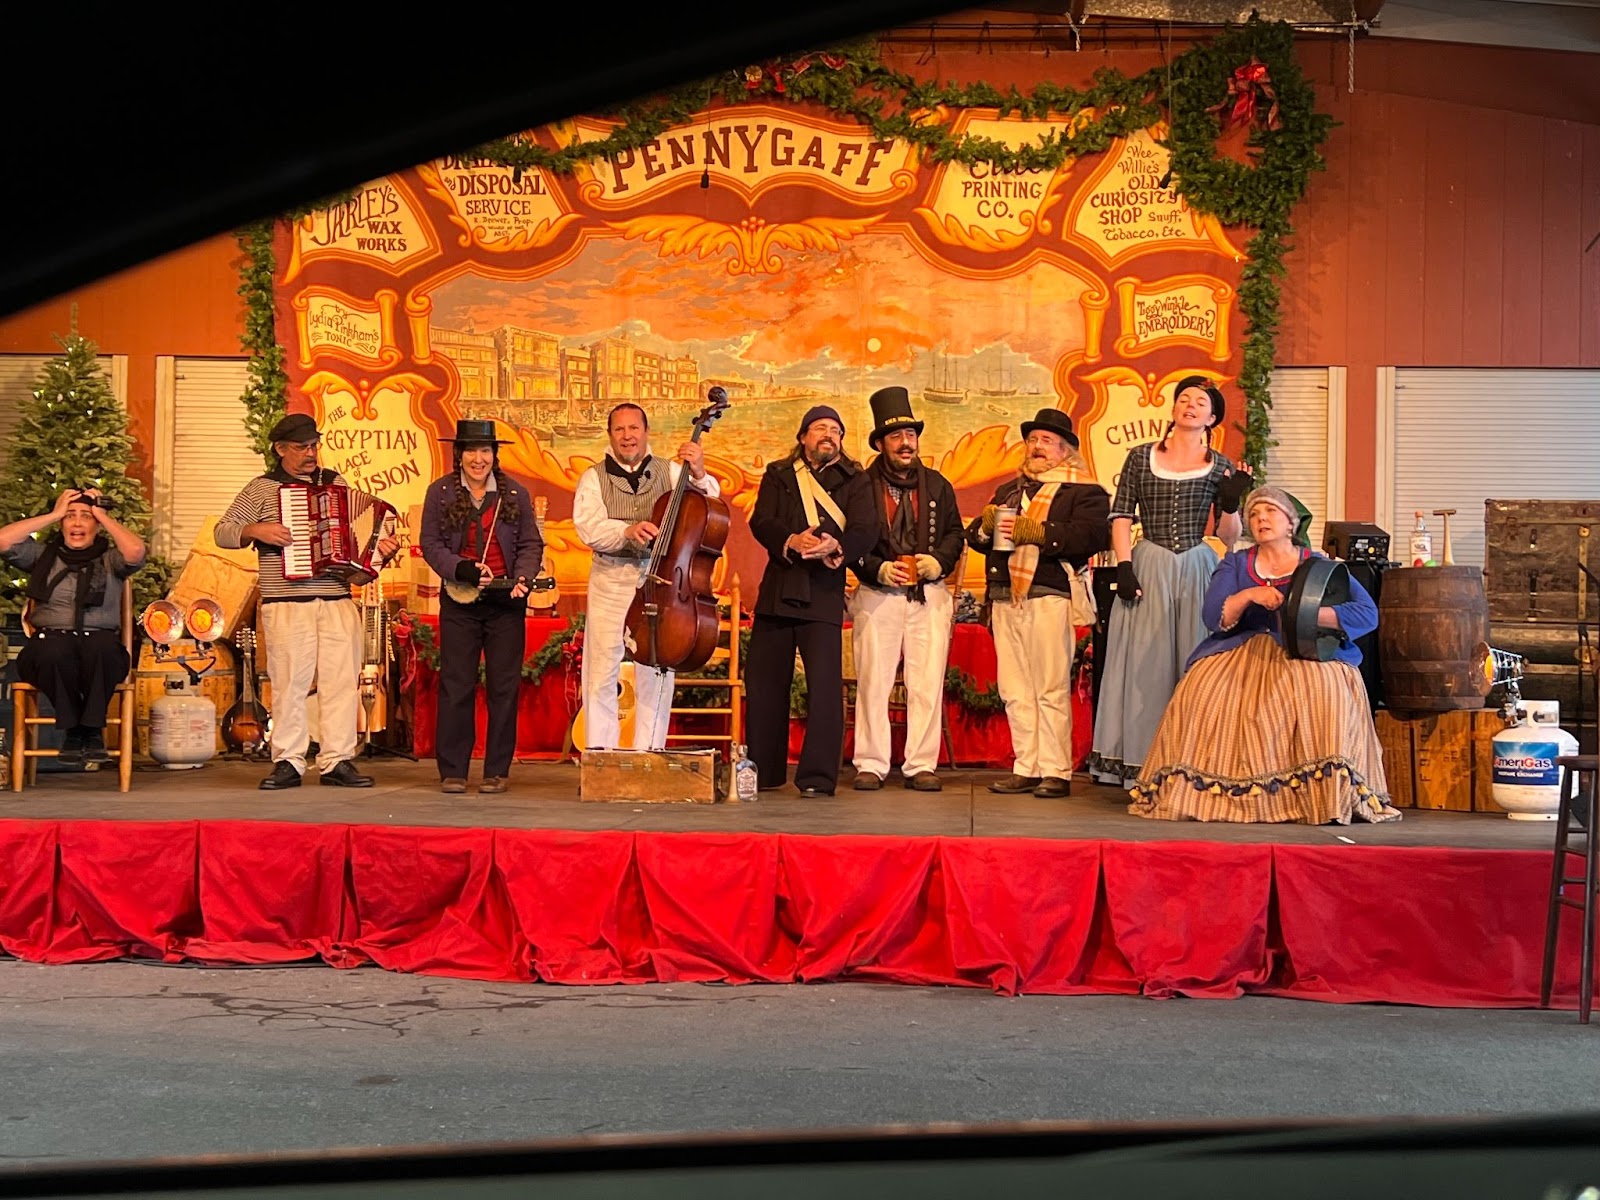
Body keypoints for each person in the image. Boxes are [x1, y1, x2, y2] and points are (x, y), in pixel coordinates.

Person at [1129, 485, 1400, 824]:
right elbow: (1213, 617)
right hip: (1243, 648)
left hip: (1305, 652)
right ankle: (1219, 794)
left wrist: (1306, 613)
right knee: (1204, 689)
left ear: (1291, 524)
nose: (1261, 519)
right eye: (1254, 515)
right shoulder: (1236, 564)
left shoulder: (1318, 565)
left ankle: (1321, 796)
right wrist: (1249, 596)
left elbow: (1366, 614)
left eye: (1270, 511)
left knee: (1326, 691)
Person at [215, 411, 400, 790]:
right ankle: (288, 761)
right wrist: (255, 529)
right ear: (280, 449)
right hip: (286, 602)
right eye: (302, 447)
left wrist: (375, 553)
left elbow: (354, 545)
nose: (311, 453)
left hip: (336, 598)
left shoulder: (336, 484)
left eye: (314, 445)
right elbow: (222, 532)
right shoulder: (261, 489)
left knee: (340, 683)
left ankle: (336, 760)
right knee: (289, 684)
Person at [1088, 375, 1252, 789]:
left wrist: (1231, 503)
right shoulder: (1141, 457)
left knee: (1191, 661)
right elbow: (1122, 515)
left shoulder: (1221, 466)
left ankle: (1191, 757)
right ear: (1174, 409)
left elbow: (1229, 537)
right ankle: (1141, 759)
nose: (1190, 405)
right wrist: (1125, 567)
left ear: (1212, 417)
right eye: (1184, 398)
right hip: (1150, 562)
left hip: (1196, 563)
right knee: (1144, 662)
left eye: (1200, 402)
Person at [966, 409, 1110, 798]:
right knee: (1015, 688)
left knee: (1049, 686)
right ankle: (1026, 765)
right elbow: (976, 538)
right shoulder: (1009, 492)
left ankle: (1056, 769)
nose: (1037, 447)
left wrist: (1038, 532)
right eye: (1032, 441)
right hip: (1005, 596)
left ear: (1066, 450)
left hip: (1048, 594)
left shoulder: (1084, 491)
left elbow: (1092, 536)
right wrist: (984, 525)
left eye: (1046, 441)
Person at [572, 402, 720, 751]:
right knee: (601, 669)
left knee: (655, 666)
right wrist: (627, 530)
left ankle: (649, 753)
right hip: (611, 577)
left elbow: (710, 502)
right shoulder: (593, 477)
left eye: (633, 428)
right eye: (620, 430)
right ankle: (600, 755)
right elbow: (588, 527)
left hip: (659, 581)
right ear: (610, 435)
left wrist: (698, 472)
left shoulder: (670, 471)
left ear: (646, 431)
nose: (628, 436)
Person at [746, 405, 875, 796]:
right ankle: (765, 773)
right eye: (820, 428)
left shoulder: (856, 479)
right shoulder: (779, 474)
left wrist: (840, 547)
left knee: (823, 689)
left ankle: (817, 778)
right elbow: (761, 521)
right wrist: (790, 541)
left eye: (835, 430)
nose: (828, 434)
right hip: (779, 588)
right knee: (765, 685)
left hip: (822, 591)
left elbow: (867, 529)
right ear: (803, 437)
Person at [843, 387, 966, 793]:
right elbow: (850, 539)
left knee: (926, 680)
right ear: (881, 443)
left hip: (928, 595)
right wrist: (876, 568)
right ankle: (872, 762)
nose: (906, 442)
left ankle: (920, 763)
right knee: (874, 680)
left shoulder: (938, 485)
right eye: (896, 436)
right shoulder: (861, 486)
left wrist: (939, 562)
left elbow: (953, 533)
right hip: (878, 596)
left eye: (911, 435)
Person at [419, 418, 543, 795]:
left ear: (494, 455)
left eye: (485, 451)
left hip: (506, 604)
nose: (478, 458)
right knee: (456, 684)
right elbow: (431, 544)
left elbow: (530, 544)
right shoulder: (439, 493)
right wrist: (463, 569)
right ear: (459, 454)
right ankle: (453, 770)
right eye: (471, 450)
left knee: (503, 688)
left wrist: (522, 577)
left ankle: (496, 770)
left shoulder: (515, 495)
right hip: (459, 602)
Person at [0, 487, 146, 765]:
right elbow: (3, 540)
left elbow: (136, 551)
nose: (77, 523)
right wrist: (53, 513)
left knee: (101, 647)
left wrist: (103, 516)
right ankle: (79, 728)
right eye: (70, 516)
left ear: (97, 526)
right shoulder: (42, 556)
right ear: (62, 524)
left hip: (99, 646)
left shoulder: (110, 559)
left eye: (86, 517)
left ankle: (86, 729)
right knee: (54, 650)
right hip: (48, 647)